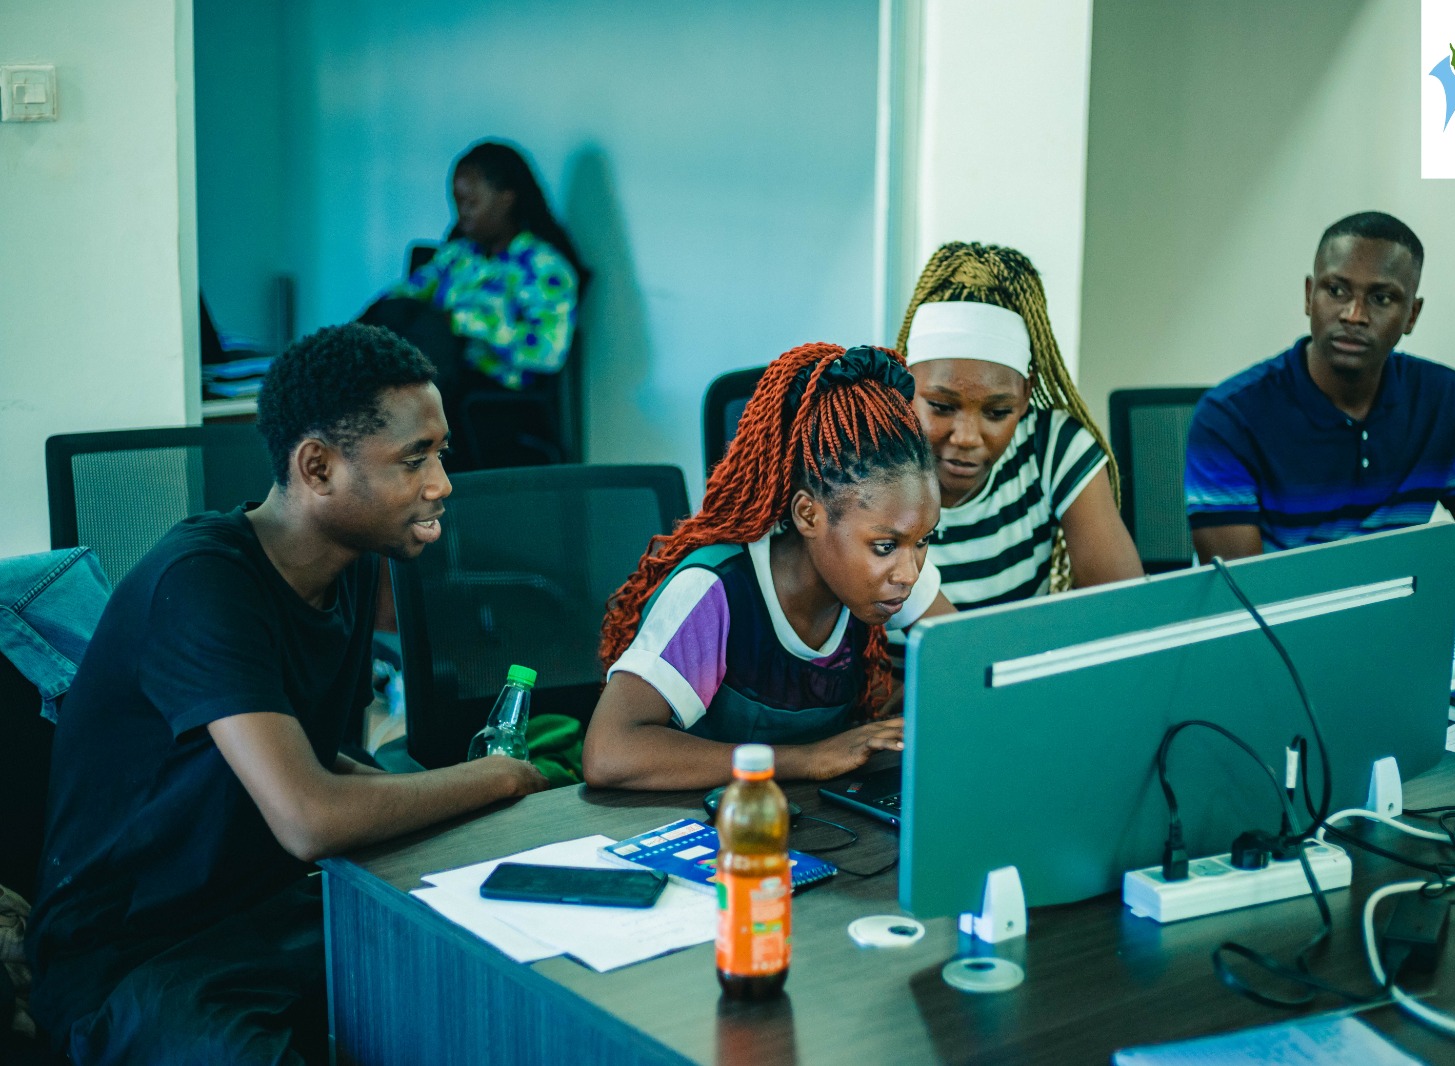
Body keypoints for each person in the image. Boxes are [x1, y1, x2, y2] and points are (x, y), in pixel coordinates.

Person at [26, 324, 545, 1064]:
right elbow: (311, 818)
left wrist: (466, 817)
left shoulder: (351, 566)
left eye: (441, 453)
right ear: (317, 467)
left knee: (479, 984)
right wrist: (494, 778)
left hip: (265, 911)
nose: (442, 484)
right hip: (136, 957)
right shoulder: (204, 584)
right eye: (414, 458)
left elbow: (327, 764)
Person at [584, 343, 945, 791]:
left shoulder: (887, 564)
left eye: (925, 540)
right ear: (809, 515)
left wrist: (931, 696)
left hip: (813, 822)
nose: (909, 571)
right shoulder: (717, 591)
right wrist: (807, 759)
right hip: (703, 828)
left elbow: (974, 661)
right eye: (886, 545)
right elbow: (609, 753)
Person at [1185, 211, 1455, 617]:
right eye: (1336, 290)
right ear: (1308, 296)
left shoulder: (1441, 399)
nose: (1354, 315)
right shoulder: (1231, 416)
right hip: (1272, 652)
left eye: (1381, 298)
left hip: (1397, 638)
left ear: (1411, 315)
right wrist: (1410, 589)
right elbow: (1246, 595)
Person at [895, 242, 1142, 610]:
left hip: (1018, 668)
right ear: (904, 381)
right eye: (942, 406)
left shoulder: (1052, 448)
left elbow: (1125, 611)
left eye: (997, 412)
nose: (966, 437)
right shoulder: (864, 457)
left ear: (1026, 394)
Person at [362, 140, 583, 466]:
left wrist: (466, 323)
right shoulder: (459, 254)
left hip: (492, 396)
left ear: (506, 199)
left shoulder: (543, 268)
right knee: (391, 315)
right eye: (457, 202)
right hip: (435, 378)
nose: (460, 214)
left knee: (436, 331)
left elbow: (548, 353)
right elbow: (405, 297)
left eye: (471, 203)